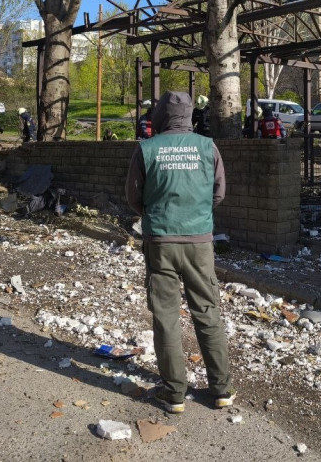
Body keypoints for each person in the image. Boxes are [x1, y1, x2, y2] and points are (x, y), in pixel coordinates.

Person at [125, 91, 235, 414]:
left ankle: (174, 393)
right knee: (207, 312)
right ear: (189, 116)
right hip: (200, 243)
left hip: (160, 242)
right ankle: (221, 390)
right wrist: (197, 213)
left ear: (160, 115)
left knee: (166, 317)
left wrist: (154, 212)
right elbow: (219, 193)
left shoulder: (146, 149)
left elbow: (133, 197)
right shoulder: (208, 147)